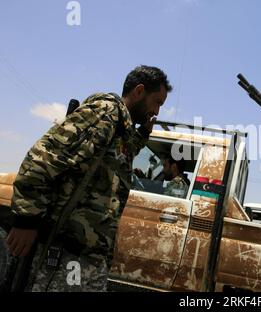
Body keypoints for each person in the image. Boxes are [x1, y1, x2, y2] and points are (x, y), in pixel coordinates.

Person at [5, 65, 172, 291]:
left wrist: (142, 134)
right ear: (139, 91)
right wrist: (27, 221)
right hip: (63, 252)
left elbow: (119, 154)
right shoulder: (105, 112)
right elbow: (43, 159)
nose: (157, 111)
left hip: (89, 257)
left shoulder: (121, 128)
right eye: (157, 102)